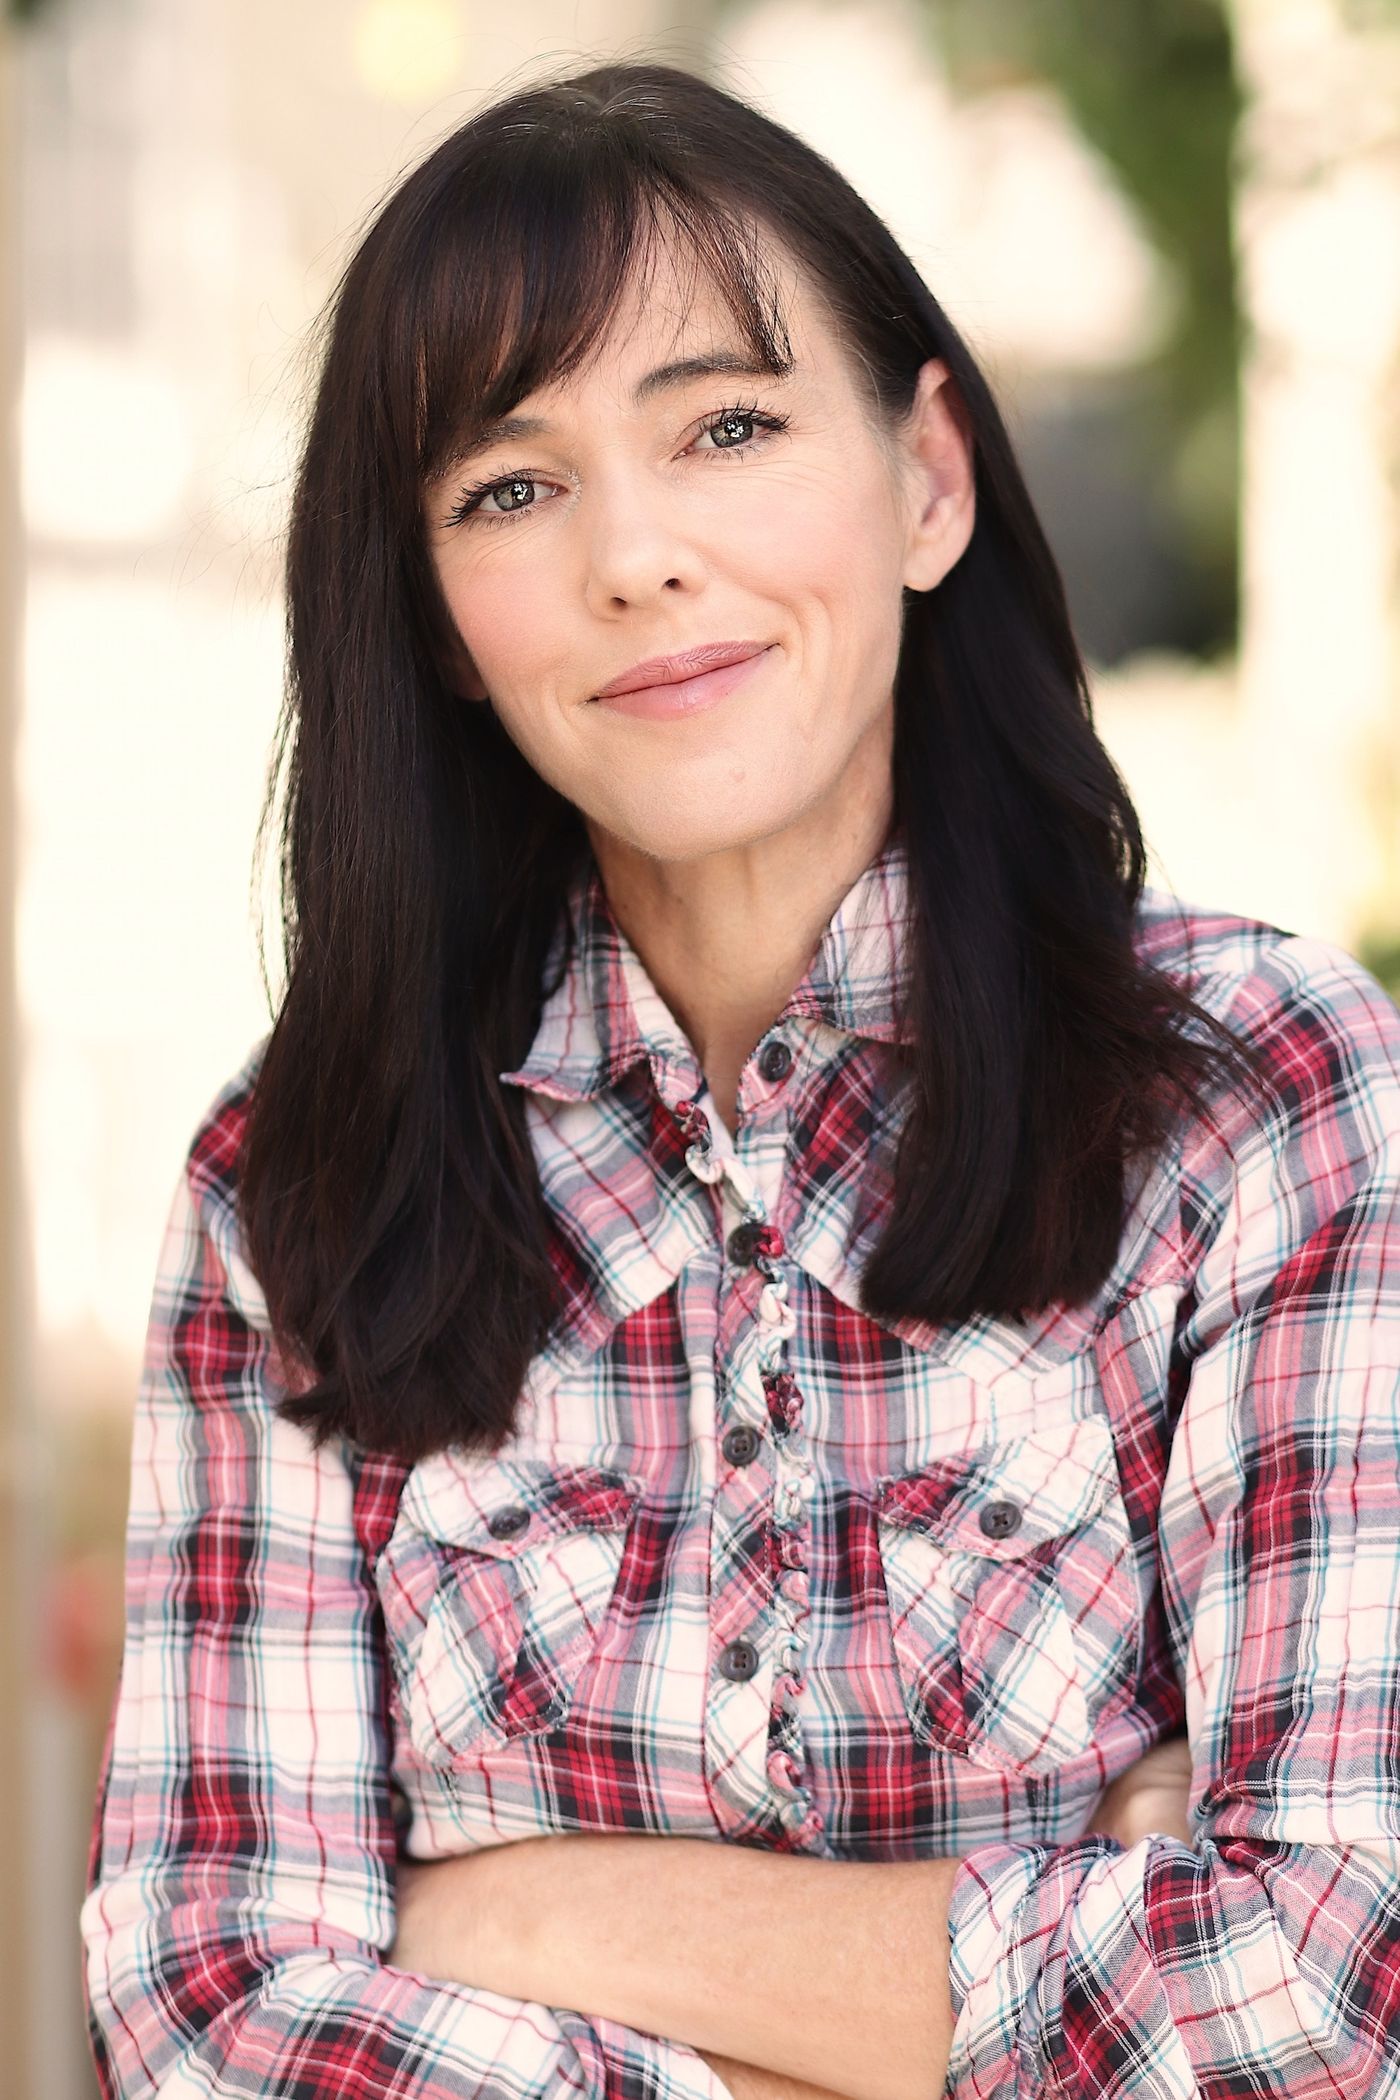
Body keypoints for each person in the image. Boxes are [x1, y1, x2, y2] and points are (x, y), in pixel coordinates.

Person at [80, 57, 1400, 2100]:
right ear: (436, 619)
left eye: (725, 427)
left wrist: (513, 1919)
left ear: (931, 479)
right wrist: (1017, 1962)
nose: (635, 558)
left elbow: (1326, 1982)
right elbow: (212, 2021)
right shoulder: (301, 1189)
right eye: (508, 487)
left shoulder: (1261, 1102)